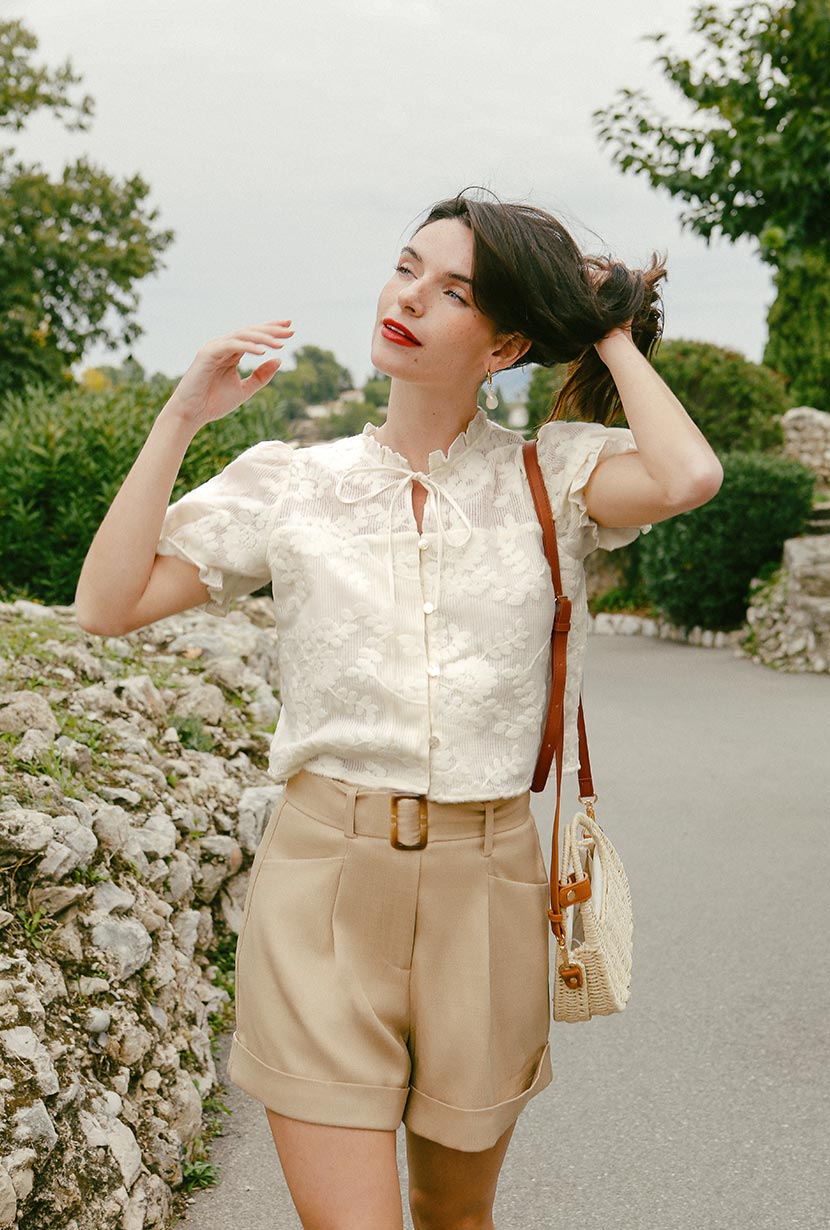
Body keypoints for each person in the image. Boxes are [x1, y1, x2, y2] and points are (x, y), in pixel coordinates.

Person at [75, 187, 723, 1230]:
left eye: (454, 289)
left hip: (490, 886)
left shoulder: (551, 476)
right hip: (322, 884)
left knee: (455, 1219)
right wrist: (181, 412)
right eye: (407, 266)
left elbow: (689, 473)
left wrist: (604, 330)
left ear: (503, 341)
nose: (409, 296)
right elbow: (106, 605)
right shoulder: (290, 482)